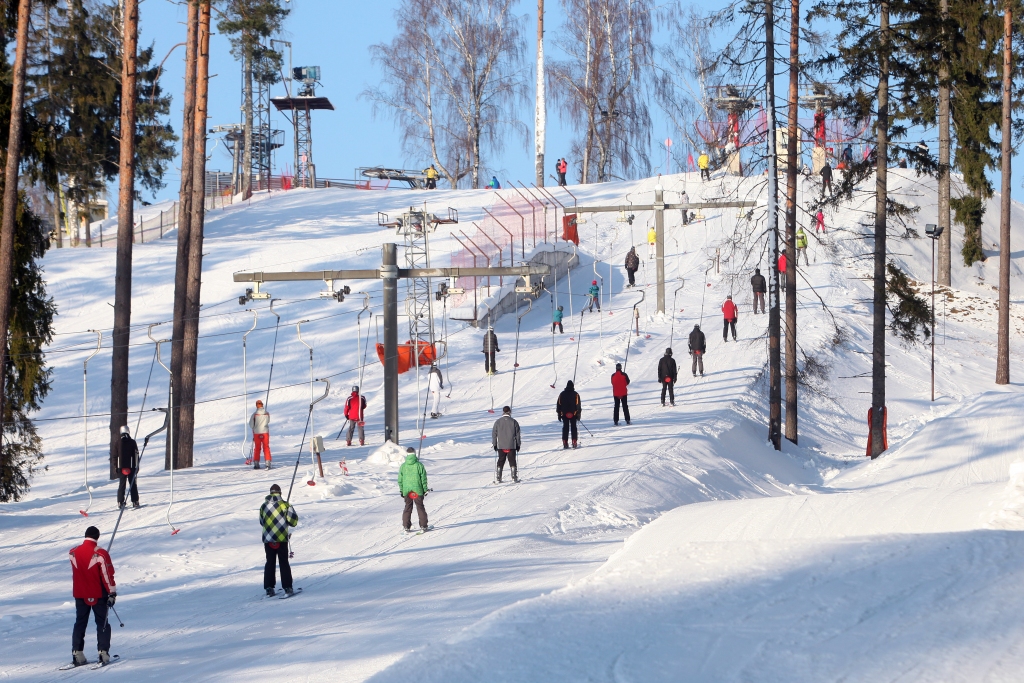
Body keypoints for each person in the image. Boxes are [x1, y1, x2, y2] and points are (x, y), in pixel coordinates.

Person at [70, 526, 116, 667]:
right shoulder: (101, 553)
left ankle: (77, 653)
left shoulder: (73, 552)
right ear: (97, 537)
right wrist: (112, 592)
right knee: (102, 623)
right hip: (98, 594)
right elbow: (107, 575)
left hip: (80, 593)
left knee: (80, 622)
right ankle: (103, 653)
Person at [260, 483, 298, 597]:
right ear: (280, 493)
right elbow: (293, 522)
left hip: (268, 539)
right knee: (283, 562)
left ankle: (269, 588)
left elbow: (261, 521)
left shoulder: (263, 506)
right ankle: (287, 587)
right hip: (281, 538)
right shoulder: (285, 505)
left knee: (270, 562)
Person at [398, 447, 429, 531]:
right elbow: (423, 479)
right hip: (417, 490)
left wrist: (402, 490)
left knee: (408, 507)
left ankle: (406, 526)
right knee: (420, 507)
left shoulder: (403, 466)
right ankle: (423, 525)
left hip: (407, 491)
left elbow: (400, 480)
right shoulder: (419, 465)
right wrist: (425, 489)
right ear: (414, 454)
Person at [491, 406, 522, 483]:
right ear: (510, 412)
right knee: (512, 460)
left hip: (501, 445)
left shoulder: (497, 422)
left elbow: (494, 434)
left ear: (503, 412)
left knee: (501, 460)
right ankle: (514, 477)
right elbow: (518, 434)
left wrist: (495, 444)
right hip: (511, 445)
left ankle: (498, 477)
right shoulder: (514, 422)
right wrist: (518, 444)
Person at [116, 425, 139, 509]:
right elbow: (136, 454)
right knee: (133, 484)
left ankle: (120, 502)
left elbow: (114, 456)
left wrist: (116, 467)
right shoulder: (132, 442)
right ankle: (135, 501)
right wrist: (136, 466)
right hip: (131, 467)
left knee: (122, 485)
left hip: (121, 467)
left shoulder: (117, 442)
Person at [556, 380, 582, 448]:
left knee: (565, 427)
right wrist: (578, 414)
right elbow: (578, 405)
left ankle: (565, 441)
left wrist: (559, 414)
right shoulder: (576, 394)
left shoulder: (562, 394)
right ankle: (574, 440)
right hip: (573, 414)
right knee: (573, 427)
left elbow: (558, 405)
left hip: (564, 414)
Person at [250, 399, 271, 470]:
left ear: (256, 406)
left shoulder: (254, 415)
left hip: (256, 433)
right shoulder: (267, 413)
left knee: (257, 448)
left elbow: (251, 425)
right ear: (262, 405)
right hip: (265, 432)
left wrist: (254, 427)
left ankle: (256, 463)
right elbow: (268, 421)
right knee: (266, 447)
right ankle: (268, 463)